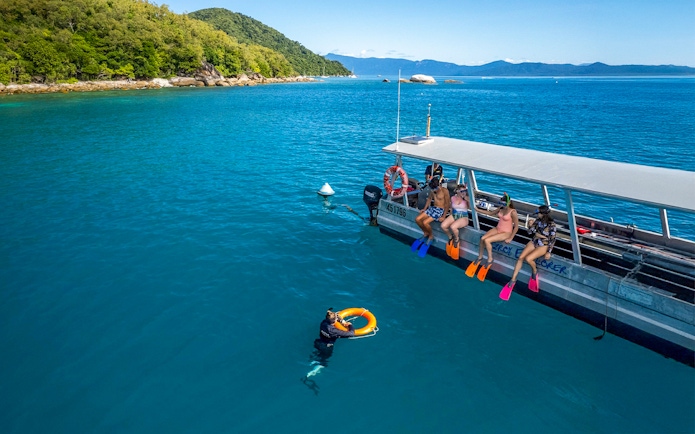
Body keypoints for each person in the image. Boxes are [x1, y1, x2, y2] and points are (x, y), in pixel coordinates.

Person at [503, 205, 557, 294]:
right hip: (534, 241)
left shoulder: (552, 224)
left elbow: (553, 239)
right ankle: (513, 279)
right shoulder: (538, 220)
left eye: (538, 213)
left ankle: (535, 271)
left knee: (528, 259)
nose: (537, 215)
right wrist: (530, 225)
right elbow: (529, 232)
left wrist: (548, 252)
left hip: (544, 244)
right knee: (521, 257)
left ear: (543, 214)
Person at [466, 192, 519, 279]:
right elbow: (490, 213)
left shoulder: (513, 212)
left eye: (504, 203)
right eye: (501, 203)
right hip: (497, 229)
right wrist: (477, 210)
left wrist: (510, 238)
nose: (502, 205)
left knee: (487, 240)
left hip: (506, 232)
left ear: (508, 203)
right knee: (483, 238)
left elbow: (516, 226)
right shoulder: (501, 208)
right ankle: (480, 257)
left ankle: (490, 259)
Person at [414, 177, 451, 249]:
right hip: (433, 208)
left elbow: (447, 204)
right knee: (417, 219)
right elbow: (429, 199)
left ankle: (431, 236)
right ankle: (425, 232)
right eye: (433, 189)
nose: (435, 190)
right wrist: (424, 209)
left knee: (425, 223)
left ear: (439, 185)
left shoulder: (445, 191)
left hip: (440, 210)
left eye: (435, 188)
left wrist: (443, 216)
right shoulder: (433, 190)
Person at [441, 184, 469, 260]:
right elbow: (451, 208)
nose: (464, 192)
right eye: (462, 191)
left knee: (453, 227)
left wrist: (466, 199)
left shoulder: (466, 199)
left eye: (465, 191)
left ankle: (456, 239)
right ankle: (450, 237)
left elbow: (471, 207)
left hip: (463, 216)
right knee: (443, 226)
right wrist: (448, 217)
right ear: (457, 191)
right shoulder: (453, 198)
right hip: (454, 214)